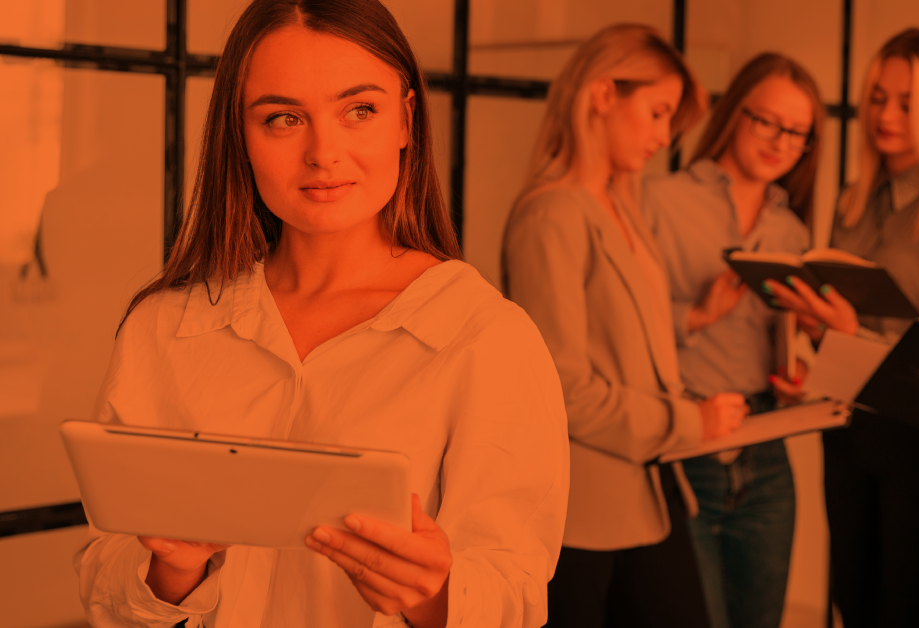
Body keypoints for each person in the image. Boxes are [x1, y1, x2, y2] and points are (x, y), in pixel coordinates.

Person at [73, 1, 570, 626]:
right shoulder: (165, 327)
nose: (323, 152)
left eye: (359, 110)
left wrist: (435, 594)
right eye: (284, 118)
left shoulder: (485, 339)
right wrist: (173, 569)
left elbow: (517, 596)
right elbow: (103, 581)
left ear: (405, 119)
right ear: (240, 133)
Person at [501, 24, 749, 628]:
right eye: (659, 113)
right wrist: (690, 421)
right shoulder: (553, 214)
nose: (664, 138)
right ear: (603, 94)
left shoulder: (618, 207)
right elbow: (564, 389)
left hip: (647, 492)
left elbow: (620, 344)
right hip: (586, 513)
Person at [767, 29, 919, 627]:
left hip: (918, 442)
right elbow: (840, 323)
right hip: (846, 428)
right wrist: (814, 343)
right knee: (855, 600)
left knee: (912, 608)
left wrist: (848, 335)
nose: (885, 114)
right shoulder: (853, 198)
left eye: (906, 101)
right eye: (877, 96)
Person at [641, 52, 824, 628]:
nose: (779, 141)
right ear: (732, 112)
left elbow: (785, 350)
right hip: (683, 438)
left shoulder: (791, 229)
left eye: (796, 133)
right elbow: (620, 327)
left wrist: (805, 354)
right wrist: (696, 314)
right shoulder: (659, 201)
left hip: (767, 446)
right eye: (766, 121)